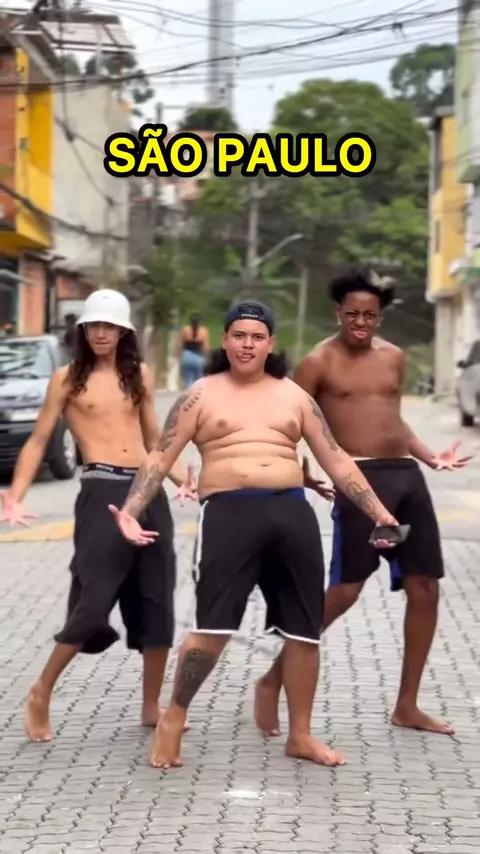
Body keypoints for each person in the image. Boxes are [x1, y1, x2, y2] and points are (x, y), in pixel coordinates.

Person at [110, 299, 401, 771]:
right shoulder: (201, 395)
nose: (247, 344)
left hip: (291, 513)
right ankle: (173, 717)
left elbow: (336, 458)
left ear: (270, 344)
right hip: (229, 514)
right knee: (213, 627)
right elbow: (160, 456)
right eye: (239, 335)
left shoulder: (294, 396)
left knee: (304, 630)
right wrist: (130, 511)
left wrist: (380, 513)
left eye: (257, 337)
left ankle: (300, 735)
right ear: (225, 341)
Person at [256, 266, 472, 738]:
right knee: (346, 591)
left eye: (369, 315)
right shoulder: (318, 362)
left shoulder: (394, 357)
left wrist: (429, 456)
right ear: (338, 312)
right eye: (352, 313)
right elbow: (289, 420)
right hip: (357, 479)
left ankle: (407, 705)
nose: (360, 322)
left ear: (380, 317)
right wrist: (300, 470)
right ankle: (274, 677)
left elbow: (393, 420)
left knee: (425, 586)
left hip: (406, 478)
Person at [0, 288, 196, 743]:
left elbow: (155, 441)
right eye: (94, 326)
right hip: (101, 490)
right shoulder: (67, 379)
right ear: (83, 330)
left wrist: (180, 479)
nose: (102, 333)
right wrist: (15, 495)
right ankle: (41, 690)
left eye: (110, 326)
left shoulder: (139, 374)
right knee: (93, 600)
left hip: (147, 490)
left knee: (157, 599)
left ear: (123, 332)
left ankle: (150, 705)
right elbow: (38, 439)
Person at [175, 313, 209, 388]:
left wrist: (177, 355)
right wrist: (208, 358)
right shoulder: (203, 331)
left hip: (186, 356)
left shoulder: (184, 330)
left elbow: (179, 344)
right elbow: (205, 347)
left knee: (188, 380)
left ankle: (190, 392)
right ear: (200, 321)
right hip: (199, 357)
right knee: (200, 381)